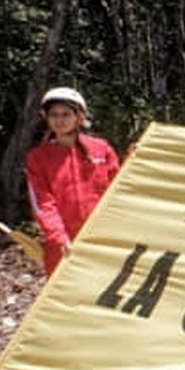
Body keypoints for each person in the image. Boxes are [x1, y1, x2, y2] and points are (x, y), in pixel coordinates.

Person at [25, 86, 122, 275]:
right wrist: (58, 238)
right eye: (54, 115)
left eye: (66, 114)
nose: (59, 120)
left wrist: (134, 159)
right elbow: (43, 203)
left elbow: (119, 187)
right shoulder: (38, 157)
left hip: (102, 238)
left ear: (79, 117)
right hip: (63, 244)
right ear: (46, 117)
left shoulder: (101, 149)